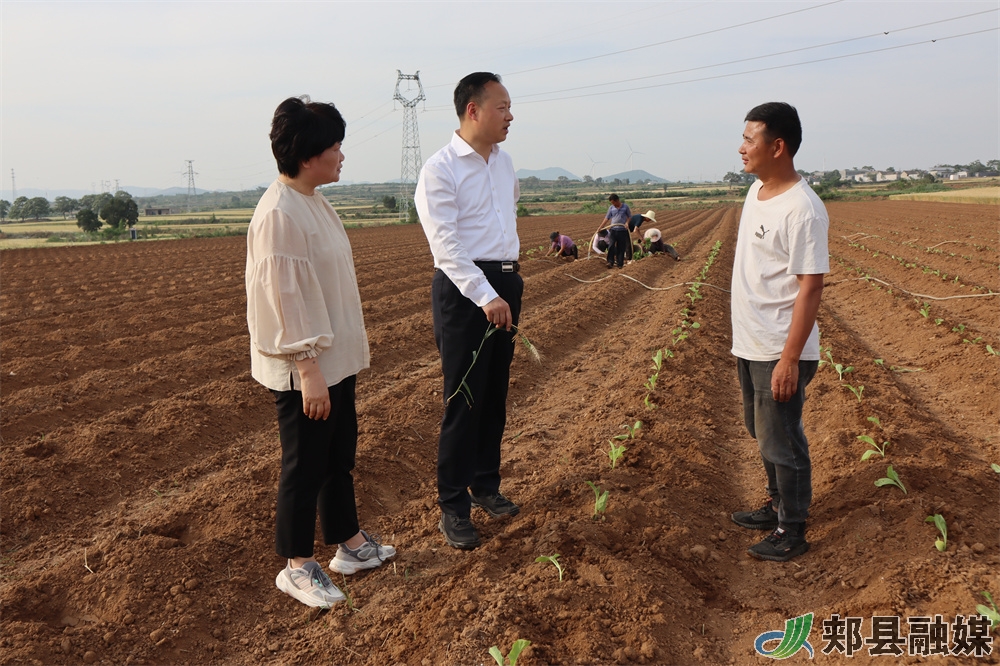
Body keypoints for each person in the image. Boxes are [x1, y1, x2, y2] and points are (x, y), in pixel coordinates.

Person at [245, 96, 396, 608]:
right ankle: (296, 565)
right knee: (304, 462)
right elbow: (283, 302)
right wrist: (307, 368)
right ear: (310, 155)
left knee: (337, 456)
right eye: (336, 146)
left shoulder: (313, 199)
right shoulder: (279, 215)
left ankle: (349, 544)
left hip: (334, 360)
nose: (342, 155)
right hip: (306, 368)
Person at [414, 72, 523, 550]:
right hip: (465, 292)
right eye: (502, 107)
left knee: (495, 391)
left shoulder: (504, 163)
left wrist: (505, 285)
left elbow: (506, 219)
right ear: (473, 110)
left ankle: (486, 486)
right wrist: (486, 295)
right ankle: (453, 505)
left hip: (503, 282)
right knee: (464, 398)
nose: (510, 116)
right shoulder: (440, 169)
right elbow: (446, 246)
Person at [729, 102, 829, 562]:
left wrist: (790, 358)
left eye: (750, 140)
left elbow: (811, 287)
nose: (742, 148)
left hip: (779, 347)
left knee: (783, 440)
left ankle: (793, 528)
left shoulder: (803, 209)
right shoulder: (758, 193)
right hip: (751, 341)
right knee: (761, 430)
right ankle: (775, 504)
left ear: (778, 146)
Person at [595, 194, 631, 268]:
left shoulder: (625, 207)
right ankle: (610, 262)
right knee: (611, 246)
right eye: (612, 203)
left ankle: (620, 264)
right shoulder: (611, 208)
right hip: (613, 230)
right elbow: (606, 218)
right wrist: (600, 227)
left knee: (621, 247)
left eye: (613, 202)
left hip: (622, 230)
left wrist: (627, 223)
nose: (613, 204)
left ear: (617, 200)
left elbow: (629, 217)